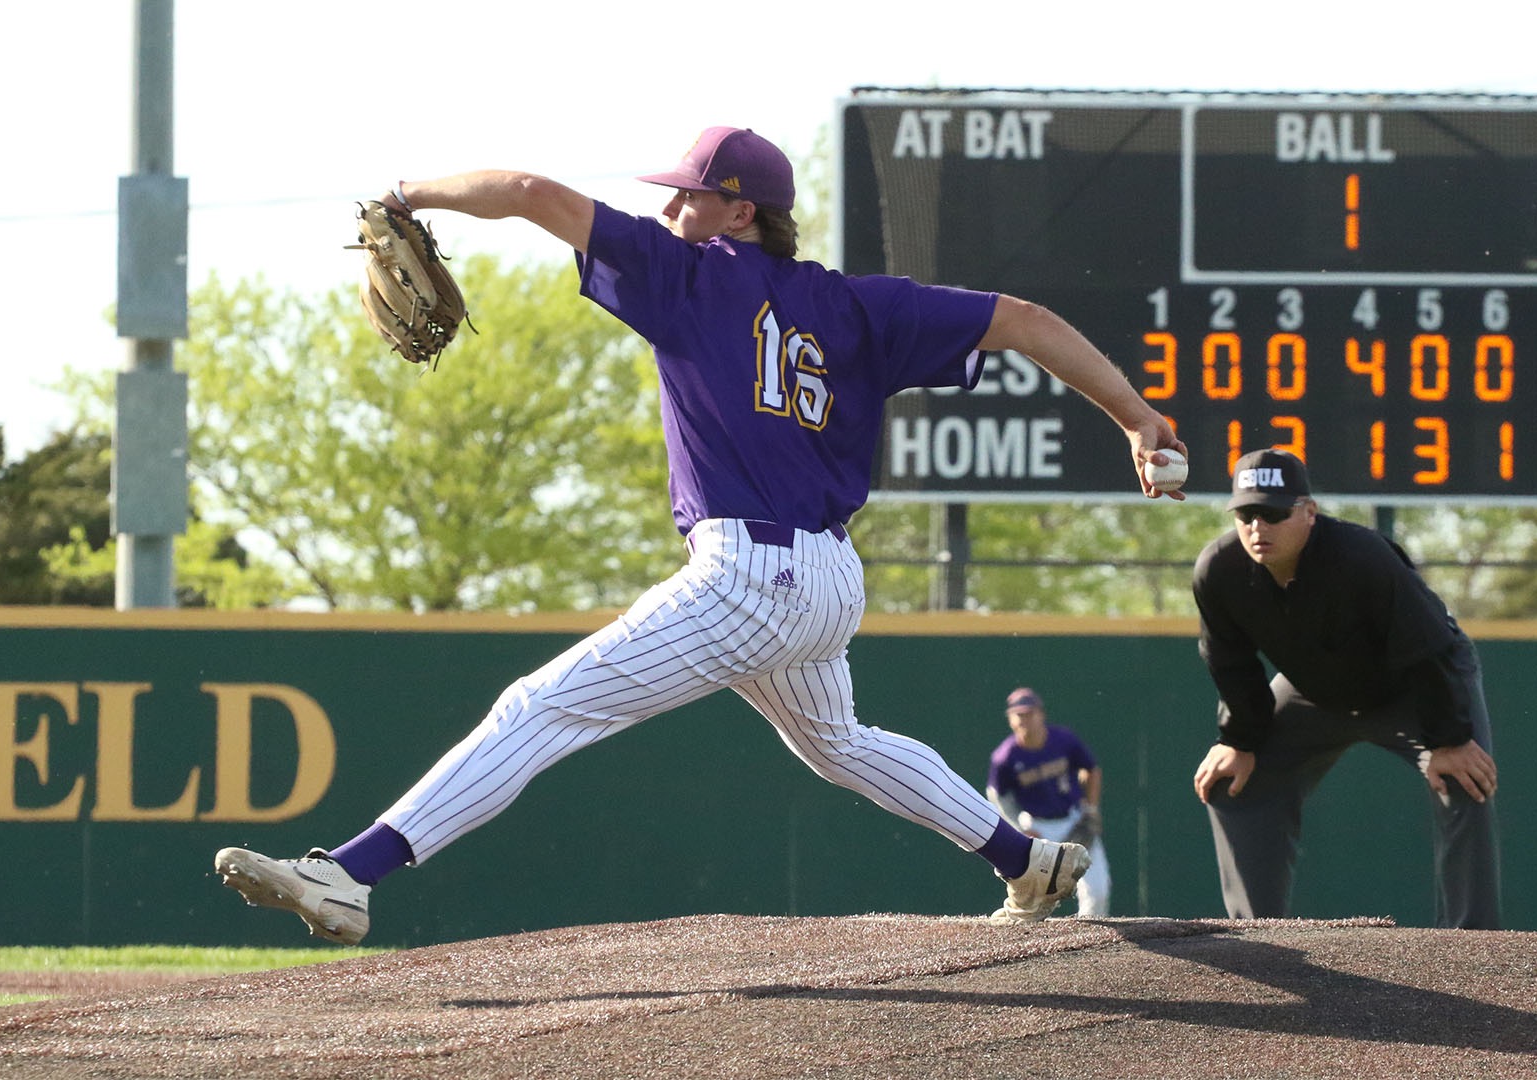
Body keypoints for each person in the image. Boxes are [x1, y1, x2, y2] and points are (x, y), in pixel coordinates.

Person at [213, 125, 1186, 944]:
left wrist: (403, 189)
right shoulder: (855, 305)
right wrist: (1138, 420)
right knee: (839, 742)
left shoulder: (686, 275)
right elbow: (1022, 319)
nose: (672, 209)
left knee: (541, 706)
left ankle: (352, 872)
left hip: (748, 576)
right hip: (830, 580)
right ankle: (1029, 861)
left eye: (689, 195)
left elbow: (523, 190)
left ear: (738, 211)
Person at [1189, 447, 1502, 929]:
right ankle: (1255, 937)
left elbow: (1426, 652)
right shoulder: (1220, 570)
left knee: (1465, 776)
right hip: (1313, 691)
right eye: (1247, 514)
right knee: (1231, 779)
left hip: (1413, 687)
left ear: (1309, 513)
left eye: (1273, 513)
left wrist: (1449, 739)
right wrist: (1239, 740)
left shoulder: (1362, 557)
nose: (1258, 527)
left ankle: (1475, 947)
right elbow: (1230, 664)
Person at [985, 687, 1111, 918]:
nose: (1025, 720)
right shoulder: (1005, 756)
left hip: (1074, 819)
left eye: (1029, 713)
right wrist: (1018, 826)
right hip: (1037, 826)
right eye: (1019, 714)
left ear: (1041, 714)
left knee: (1098, 890)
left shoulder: (1063, 740)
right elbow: (997, 795)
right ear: (1010, 719)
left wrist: (1090, 809)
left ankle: (1095, 944)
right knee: (1037, 896)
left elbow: (1091, 770)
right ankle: (1043, 946)